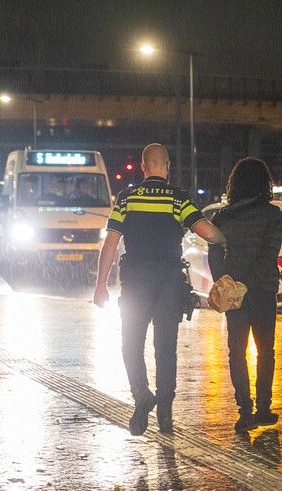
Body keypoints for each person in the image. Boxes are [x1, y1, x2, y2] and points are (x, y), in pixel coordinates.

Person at [94, 143, 226, 435]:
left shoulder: (127, 198)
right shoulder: (177, 198)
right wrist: (226, 239)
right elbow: (205, 230)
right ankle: (165, 413)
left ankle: (142, 394)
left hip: (135, 283)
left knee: (131, 344)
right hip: (168, 283)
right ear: (167, 166)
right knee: (165, 348)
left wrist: (100, 285)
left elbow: (111, 242)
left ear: (143, 167)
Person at [208, 157, 282, 432]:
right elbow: (268, 254)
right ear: (265, 183)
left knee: (236, 352)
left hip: (234, 296)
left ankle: (244, 410)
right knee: (266, 350)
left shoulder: (222, 217)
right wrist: (248, 284)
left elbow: (214, 252)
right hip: (262, 291)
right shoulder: (273, 214)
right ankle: (264, 408)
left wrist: (226, 283)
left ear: (235, 184)